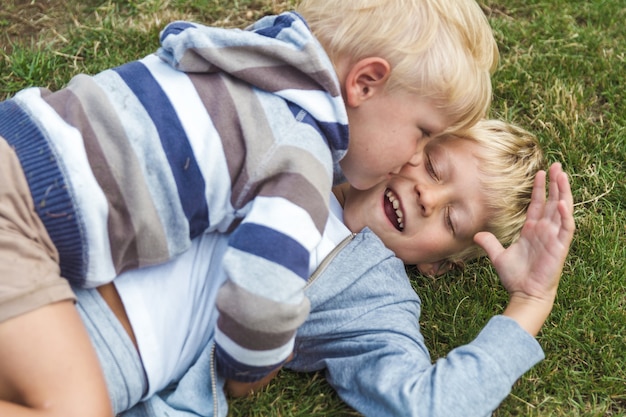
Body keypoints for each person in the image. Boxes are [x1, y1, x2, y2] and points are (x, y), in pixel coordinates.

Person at [0, 1, 499, 415]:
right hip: (27, 208)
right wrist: (250, 369)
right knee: (75, 406)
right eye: (426, 143)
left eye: (451, 218)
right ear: (364, 83)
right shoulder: (299, 154)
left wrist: (530, 305)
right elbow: (260, 300)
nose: (413, 163)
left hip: (20, 144)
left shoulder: (240, 53)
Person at [75, 119, 574, 416]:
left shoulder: (373, 297)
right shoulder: (306, 138)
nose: (427, 195)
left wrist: (530, 302)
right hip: (65, 238)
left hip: (114, 351)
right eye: (434, 165)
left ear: (438, 266)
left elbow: (429, 405)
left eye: (451, 217)